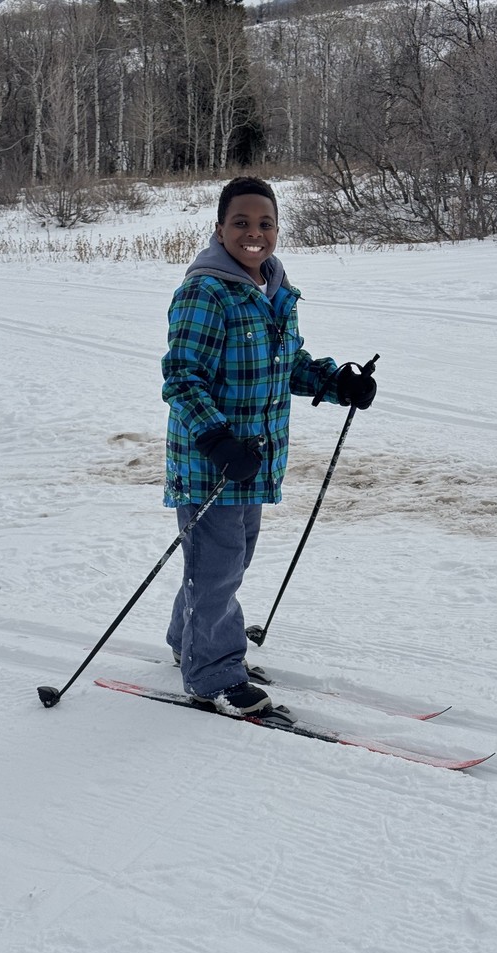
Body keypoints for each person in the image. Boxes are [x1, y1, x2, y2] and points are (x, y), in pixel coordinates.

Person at [161, 176, 376, 717]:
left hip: (253, 463)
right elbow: (182, 378)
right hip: (212, 463)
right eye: (241, 223)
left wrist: (337, 383)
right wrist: (217, 440)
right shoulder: (205, 292)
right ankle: (213, 675)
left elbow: (287, 364)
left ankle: (191, 641)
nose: (253, 233)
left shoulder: (274, 289)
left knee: (224, 562)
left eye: (265, 223)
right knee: (218, 566)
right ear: (219, 229)